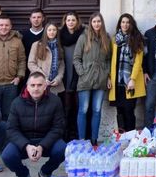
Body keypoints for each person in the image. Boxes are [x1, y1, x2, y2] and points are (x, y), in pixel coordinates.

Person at [1, 72, 66, 177]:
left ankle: (45, 172)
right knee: (7, 155)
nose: (36, 88)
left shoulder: (55, 101)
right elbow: (11, 129)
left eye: (39, 85)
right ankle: (23, 175)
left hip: (46, 140)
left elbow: (58, 128)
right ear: (27, 86)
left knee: (63, 149)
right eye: (33, 85)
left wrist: (42, 146)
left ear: (45, 86)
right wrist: (26, 146)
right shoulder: (17, 103)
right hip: (24, 140)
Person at [73, 12, 112, 144]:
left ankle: (94, 139)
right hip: (85, 79)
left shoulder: (106, 38)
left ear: (102, 23)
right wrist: (82, 73)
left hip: (100, 80)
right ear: (91, 23)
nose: (97, 24)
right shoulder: (84, 38)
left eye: (99, 21)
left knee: (97, 110)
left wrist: (107, 76)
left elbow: (108, 60)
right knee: (83, 110)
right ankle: (82, 139)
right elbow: (76, 58)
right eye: (94, 21)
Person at [109, 13, 145, 132]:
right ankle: (122, 136)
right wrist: (109, 77)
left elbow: (138, 62)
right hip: (117, 82)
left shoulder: (137, 38)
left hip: (130, 82)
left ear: (131, 24)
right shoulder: (115, 40)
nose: (125, 25)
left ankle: (131, 137)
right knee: (119, 111)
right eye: (123, 22)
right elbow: (111, 60)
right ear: (120, 24)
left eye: (127, 22)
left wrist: (132, 79)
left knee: (129, 110)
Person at [60, 12, 84, 139]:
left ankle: (78, 135)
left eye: (73, 20)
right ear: (65, 21)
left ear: (77, 21)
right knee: (66, 108)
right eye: (68, 20)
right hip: (64, 74)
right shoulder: (60, 35)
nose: (70, 22)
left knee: (79, 108)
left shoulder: (83, 34)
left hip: (79, 75)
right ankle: (66, 135)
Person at [27, 22, 65, 95]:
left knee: (52, 104)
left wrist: (58, 79)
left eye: (54, 30)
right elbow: (31, 63)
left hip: (54, 84)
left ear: (57, 32)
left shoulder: (59, 47)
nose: (52, 32)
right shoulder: (37, 45)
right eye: (49, 30)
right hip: (39, 82)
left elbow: (61, 65)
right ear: (45, 31)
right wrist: (43, 77)